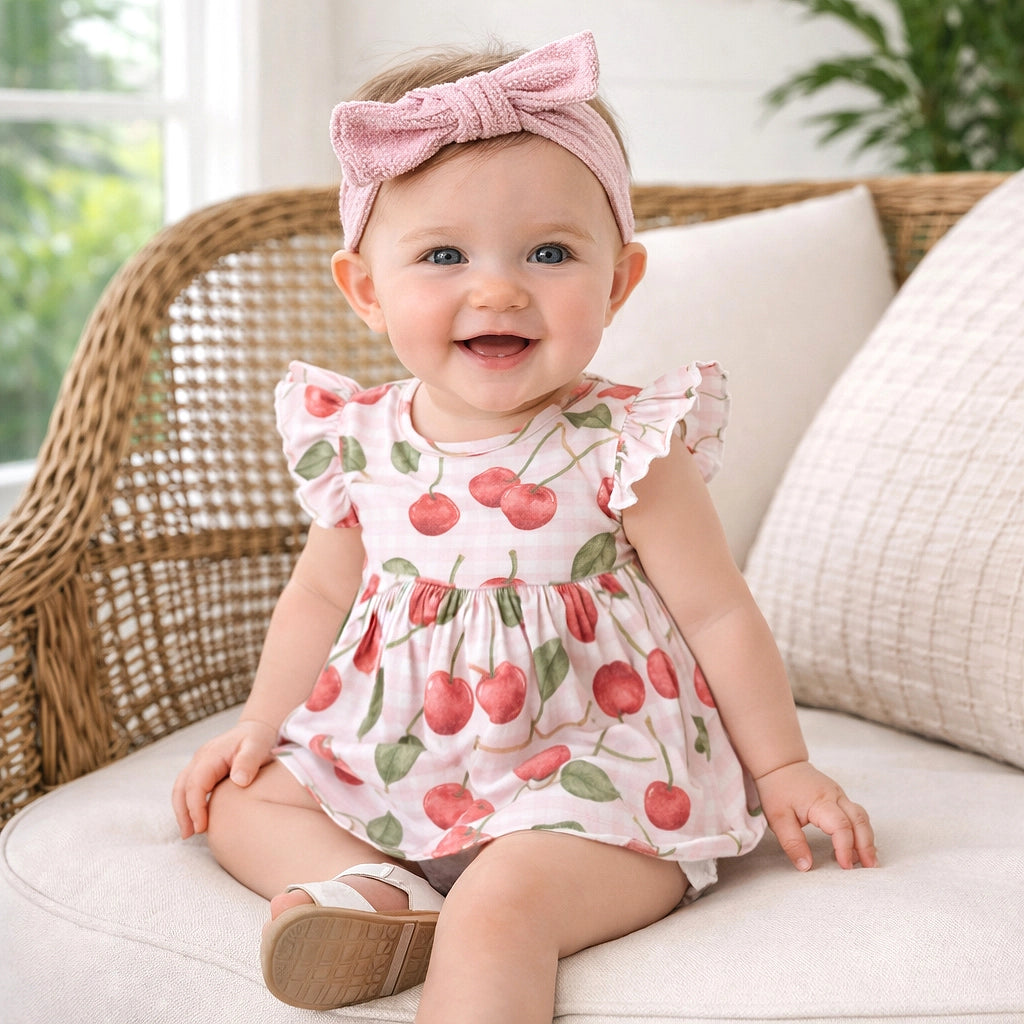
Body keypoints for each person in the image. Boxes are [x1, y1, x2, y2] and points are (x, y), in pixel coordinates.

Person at [172, 30, 877, 1022]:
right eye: (442, 255)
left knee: (500, 906)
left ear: (618, 281)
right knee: (235, 802)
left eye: (549, 253)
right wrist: (259, 725)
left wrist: (783, 766)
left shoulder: (626, 442)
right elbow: (320, 596)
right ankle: (382, 893)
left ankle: (462, 921)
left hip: (589, 777)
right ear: (366, 289)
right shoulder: (360, 440)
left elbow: (718, 612)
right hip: (400, 758)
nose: (497, 289)